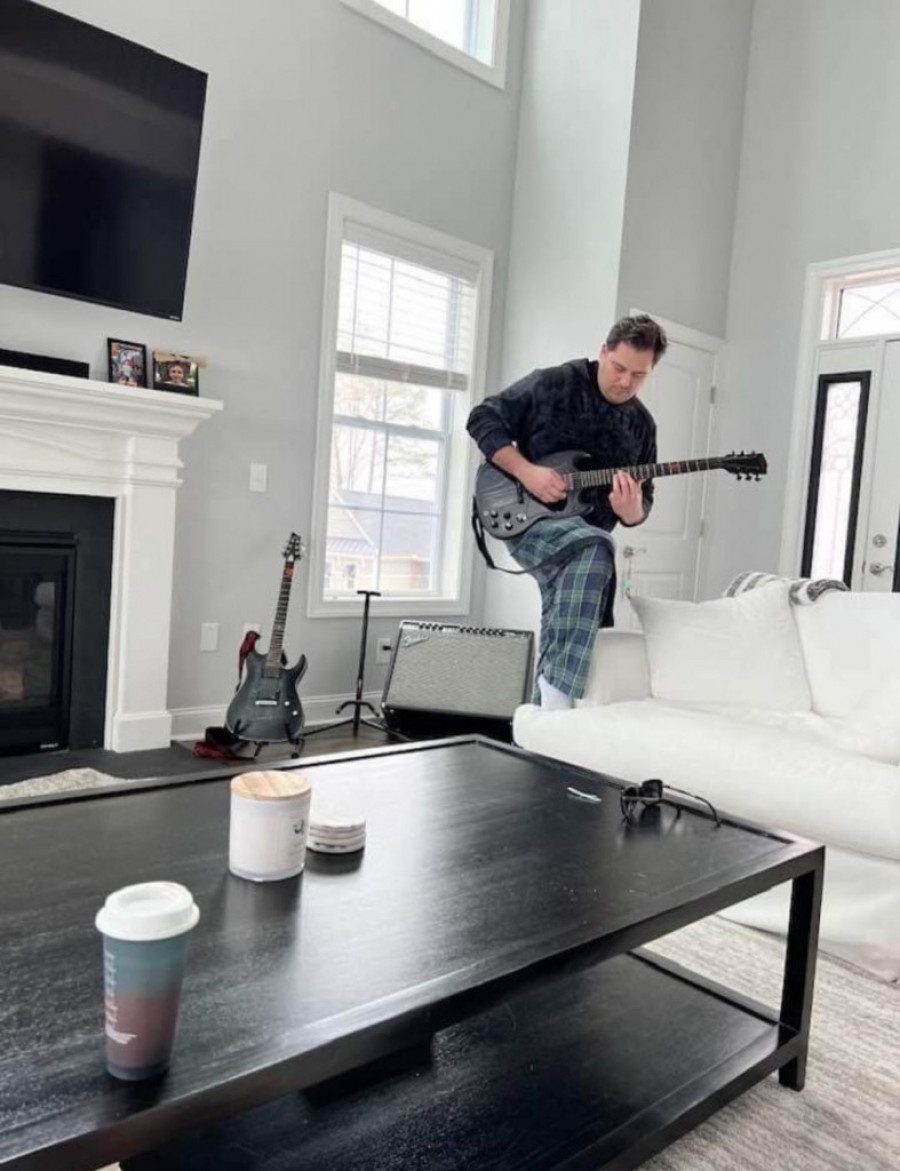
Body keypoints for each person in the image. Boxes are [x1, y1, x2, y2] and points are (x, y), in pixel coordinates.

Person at [466, 314, 667, 710]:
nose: (625, 381)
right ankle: (558, 702)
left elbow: (642, 505)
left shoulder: (643, 426)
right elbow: (482, 418)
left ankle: (541, 724)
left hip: (586, 540)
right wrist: (527, 472)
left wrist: (631, 512)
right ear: (603, 351)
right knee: (596, 548)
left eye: (639, 375)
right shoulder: (553, 383)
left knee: (571, 615)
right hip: (527, 518)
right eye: (619, 367)